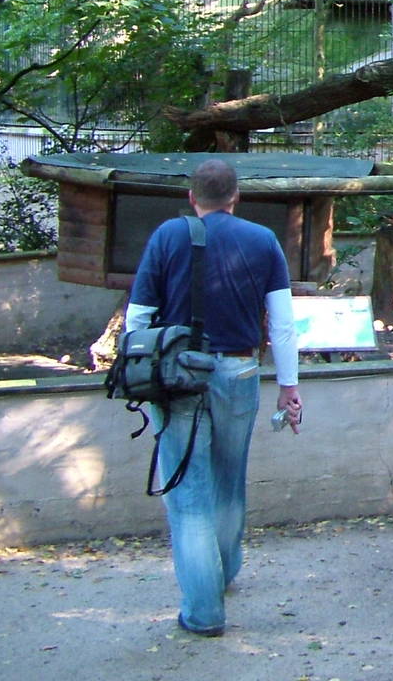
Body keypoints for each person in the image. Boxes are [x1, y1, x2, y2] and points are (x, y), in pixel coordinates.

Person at [126, 157, 303, 637]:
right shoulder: (263, 240)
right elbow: (283, 325)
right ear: (235, 197)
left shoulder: (167, 236)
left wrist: (138, 372)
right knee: (229, 481)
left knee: (188, 494)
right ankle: (223, 574)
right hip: (240, 372)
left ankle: (203, 612)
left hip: (180, 377)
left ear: (192, 198)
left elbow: (138, 317)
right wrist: (288, 387)